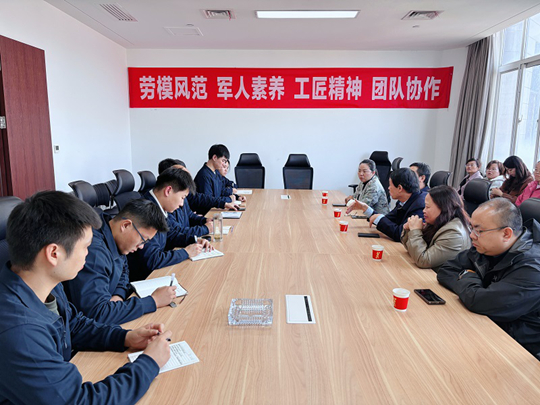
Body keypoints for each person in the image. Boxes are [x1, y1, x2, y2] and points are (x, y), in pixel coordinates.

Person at [0, 191, 172, 404]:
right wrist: (149, 363)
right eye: (86, 247)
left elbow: (74, 325)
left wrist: (125, 337)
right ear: (54, 254)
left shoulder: (47, 284)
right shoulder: (20, 332)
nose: (88, 254)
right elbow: (78, 401)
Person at [437, 198, 540, 360]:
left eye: (479, 230)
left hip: (516, 350)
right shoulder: (488, 247)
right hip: (482, 326)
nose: (471, 235)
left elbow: (480, 301)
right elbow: (446, 270)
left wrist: (467, 276)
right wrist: (473, 289)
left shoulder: (533, 268)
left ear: (506, 233)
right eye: (471, 227)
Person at [64, 199, 177, 325]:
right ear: (125, 225)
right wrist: (153, 301)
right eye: (143, 240)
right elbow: (98, 313)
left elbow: (124, 271)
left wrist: (119, 295)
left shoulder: (114, 235)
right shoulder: (94, 253)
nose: (141, 246)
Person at [127, 167, 212, 282]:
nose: (182, 204)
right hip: (146, 279)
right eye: (182, 197)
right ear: (168, 191)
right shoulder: (147, 212)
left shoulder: (159, 207)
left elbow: (170, 235)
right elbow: (152, 260)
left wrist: (194, 240)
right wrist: (186, 252)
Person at [401, 186, 471, 272]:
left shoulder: (454, 233)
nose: (424, 210)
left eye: (427, 207)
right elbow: (413, 252)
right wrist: (408, 230)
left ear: (443, 208)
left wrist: (415, 231)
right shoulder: (438, 222)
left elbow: (423, 261)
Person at [346, 168, 426, 242]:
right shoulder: (404, 200)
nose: (388, 188)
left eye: (390, 185)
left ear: (399, 188)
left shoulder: (420, 206)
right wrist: (365, 209)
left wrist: (378, 218)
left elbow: (400, 234)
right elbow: (387, 219)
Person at [159, 158, 238, 217]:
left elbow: (200, 198)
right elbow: (176, 231)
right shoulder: (167, 206)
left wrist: (224, 203)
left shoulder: (181, 194)